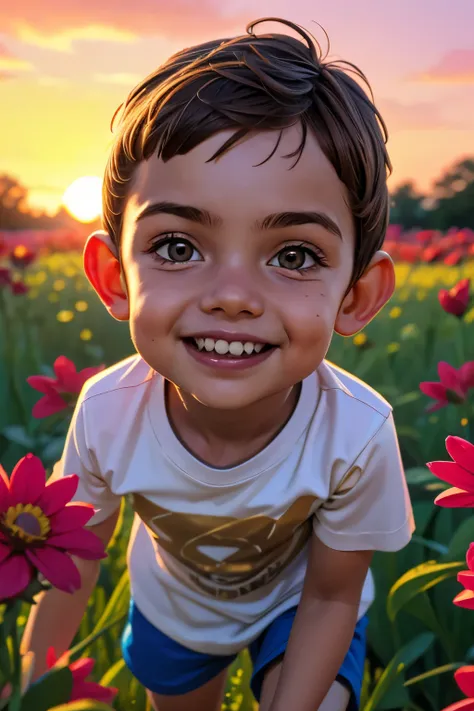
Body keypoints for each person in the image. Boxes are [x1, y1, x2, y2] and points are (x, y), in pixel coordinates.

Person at [21, 17, 415, 711]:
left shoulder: (356, 431)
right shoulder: (109, 412)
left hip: (305, 606)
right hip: (176, 608)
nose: (232, 297)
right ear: (114, 277)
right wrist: (34, 678)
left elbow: (330, 591)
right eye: (177, 246)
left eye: (294, 255)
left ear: (356, 296)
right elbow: (75, 560)